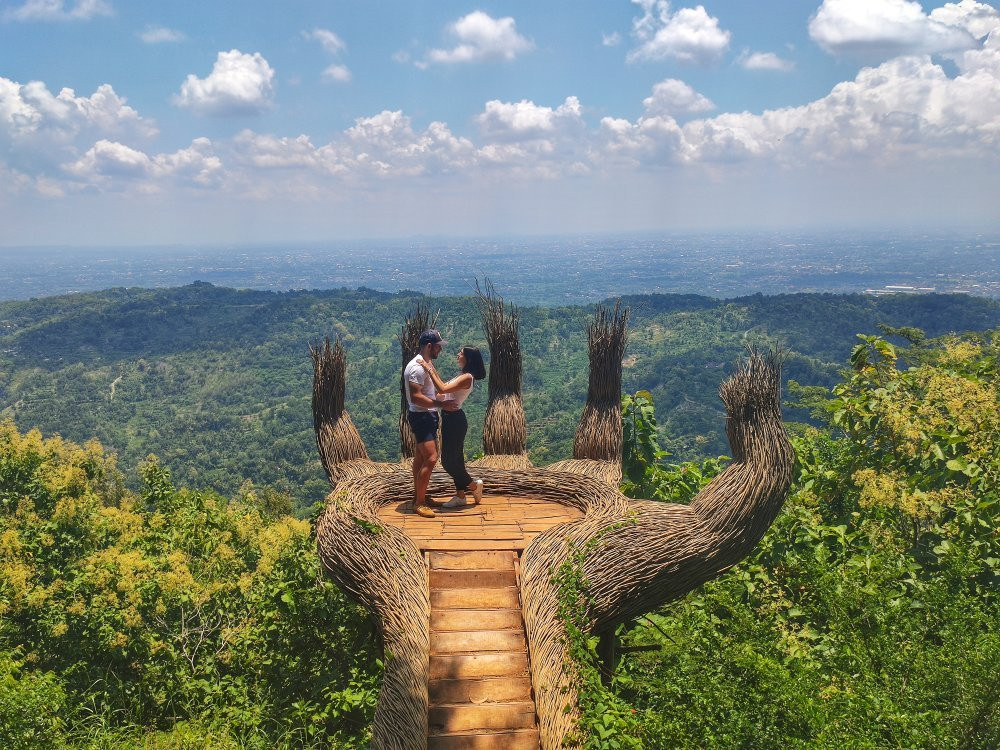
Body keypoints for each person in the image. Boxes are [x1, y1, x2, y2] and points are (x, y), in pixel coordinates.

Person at [419, 345, 486, 508]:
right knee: (457, 460)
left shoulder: (467, 377)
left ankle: (473, 486)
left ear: (468, 359)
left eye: (461, 353)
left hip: (455, 420)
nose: (458, 355)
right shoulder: (461, 375)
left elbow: (442, 388)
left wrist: (429, 369)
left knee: (448, 462)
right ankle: (460, 496)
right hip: (450, 419)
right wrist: (431, 367)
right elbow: (443, 391)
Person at [403, 329, 455, 518]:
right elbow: (416, 397)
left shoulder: (425, 364)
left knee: (420, 457)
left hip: (426, 415)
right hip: (422, 417)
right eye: (438, 346)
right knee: (432, 458)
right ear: (429, 346)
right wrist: (441, 404)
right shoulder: (417, 368)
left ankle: (420, 495)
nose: (440, 350)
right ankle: (419, 503)